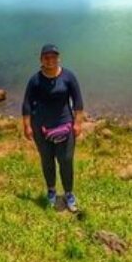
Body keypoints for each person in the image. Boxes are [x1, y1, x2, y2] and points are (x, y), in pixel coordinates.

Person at [21, 43, 85, 212]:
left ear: (58, 58)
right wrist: (27, 126)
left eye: (53, 57)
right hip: (41, 126)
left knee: (65, 160)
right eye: (46, 57)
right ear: (41, 59)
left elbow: (78, 101)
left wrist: (78, 123)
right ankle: (51, 191)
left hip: (65, 124)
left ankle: (69, 194)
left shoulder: (68, 76)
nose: (50, 60)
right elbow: (27, 104)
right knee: (47, 160)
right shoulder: (35, 80)